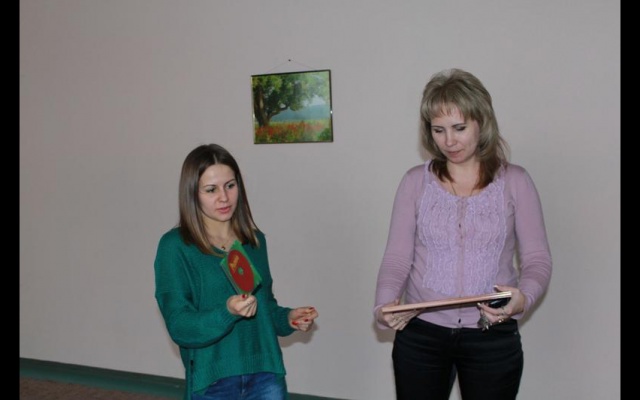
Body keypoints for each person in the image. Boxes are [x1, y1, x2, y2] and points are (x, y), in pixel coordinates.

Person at [373, 68, 552, 400]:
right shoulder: (414, 182)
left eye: (459, 128)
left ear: (481, 122)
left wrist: (523, 298)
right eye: (438, 130)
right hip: (421, 335)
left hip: (492, 333)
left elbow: (537, 259)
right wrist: (384, 306)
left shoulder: (516, 181)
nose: (449, 141)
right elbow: (397, 259)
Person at [154, 143, 319, 400]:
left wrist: (288, 318)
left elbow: (264, 308)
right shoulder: (175, 247)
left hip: (265, 374)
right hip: (212, 381)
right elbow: (180, 326)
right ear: (192, 194)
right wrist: (227, 311)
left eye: (230, 186)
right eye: (211, 190)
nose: (224, 197)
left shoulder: (254, 241)